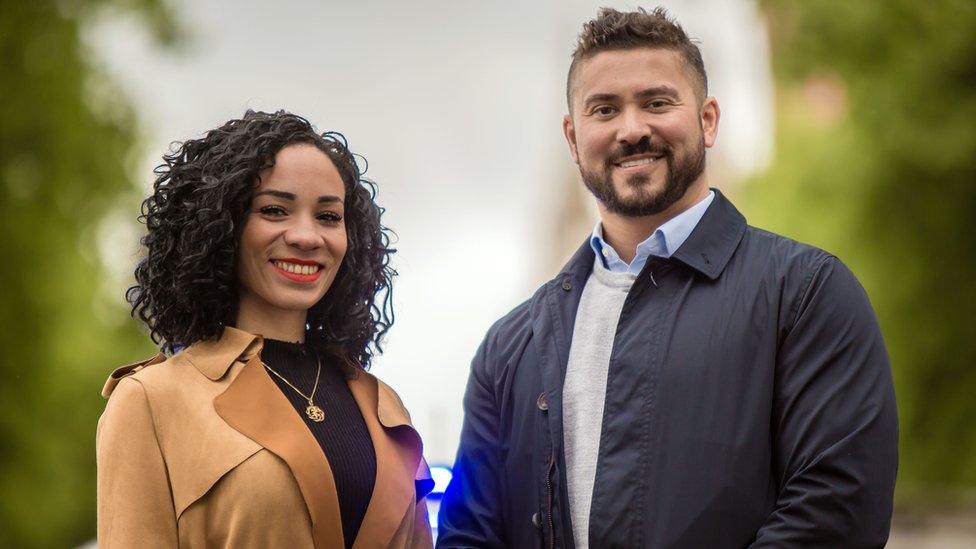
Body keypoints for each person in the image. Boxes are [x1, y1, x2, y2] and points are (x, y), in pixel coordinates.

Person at [437, 7, 897, 549]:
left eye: (656, 103)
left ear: (707, 119)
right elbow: (470, 536)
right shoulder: (510, 347)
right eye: (604, 109)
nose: (631, 130)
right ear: (572, 136)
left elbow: (836, 514)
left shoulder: (805, 295)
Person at [97, 110, 433, 548]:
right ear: (221, 228)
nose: (307, 236)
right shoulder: (150, 401)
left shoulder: (382, 404)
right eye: (275, 210)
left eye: (329, 216)